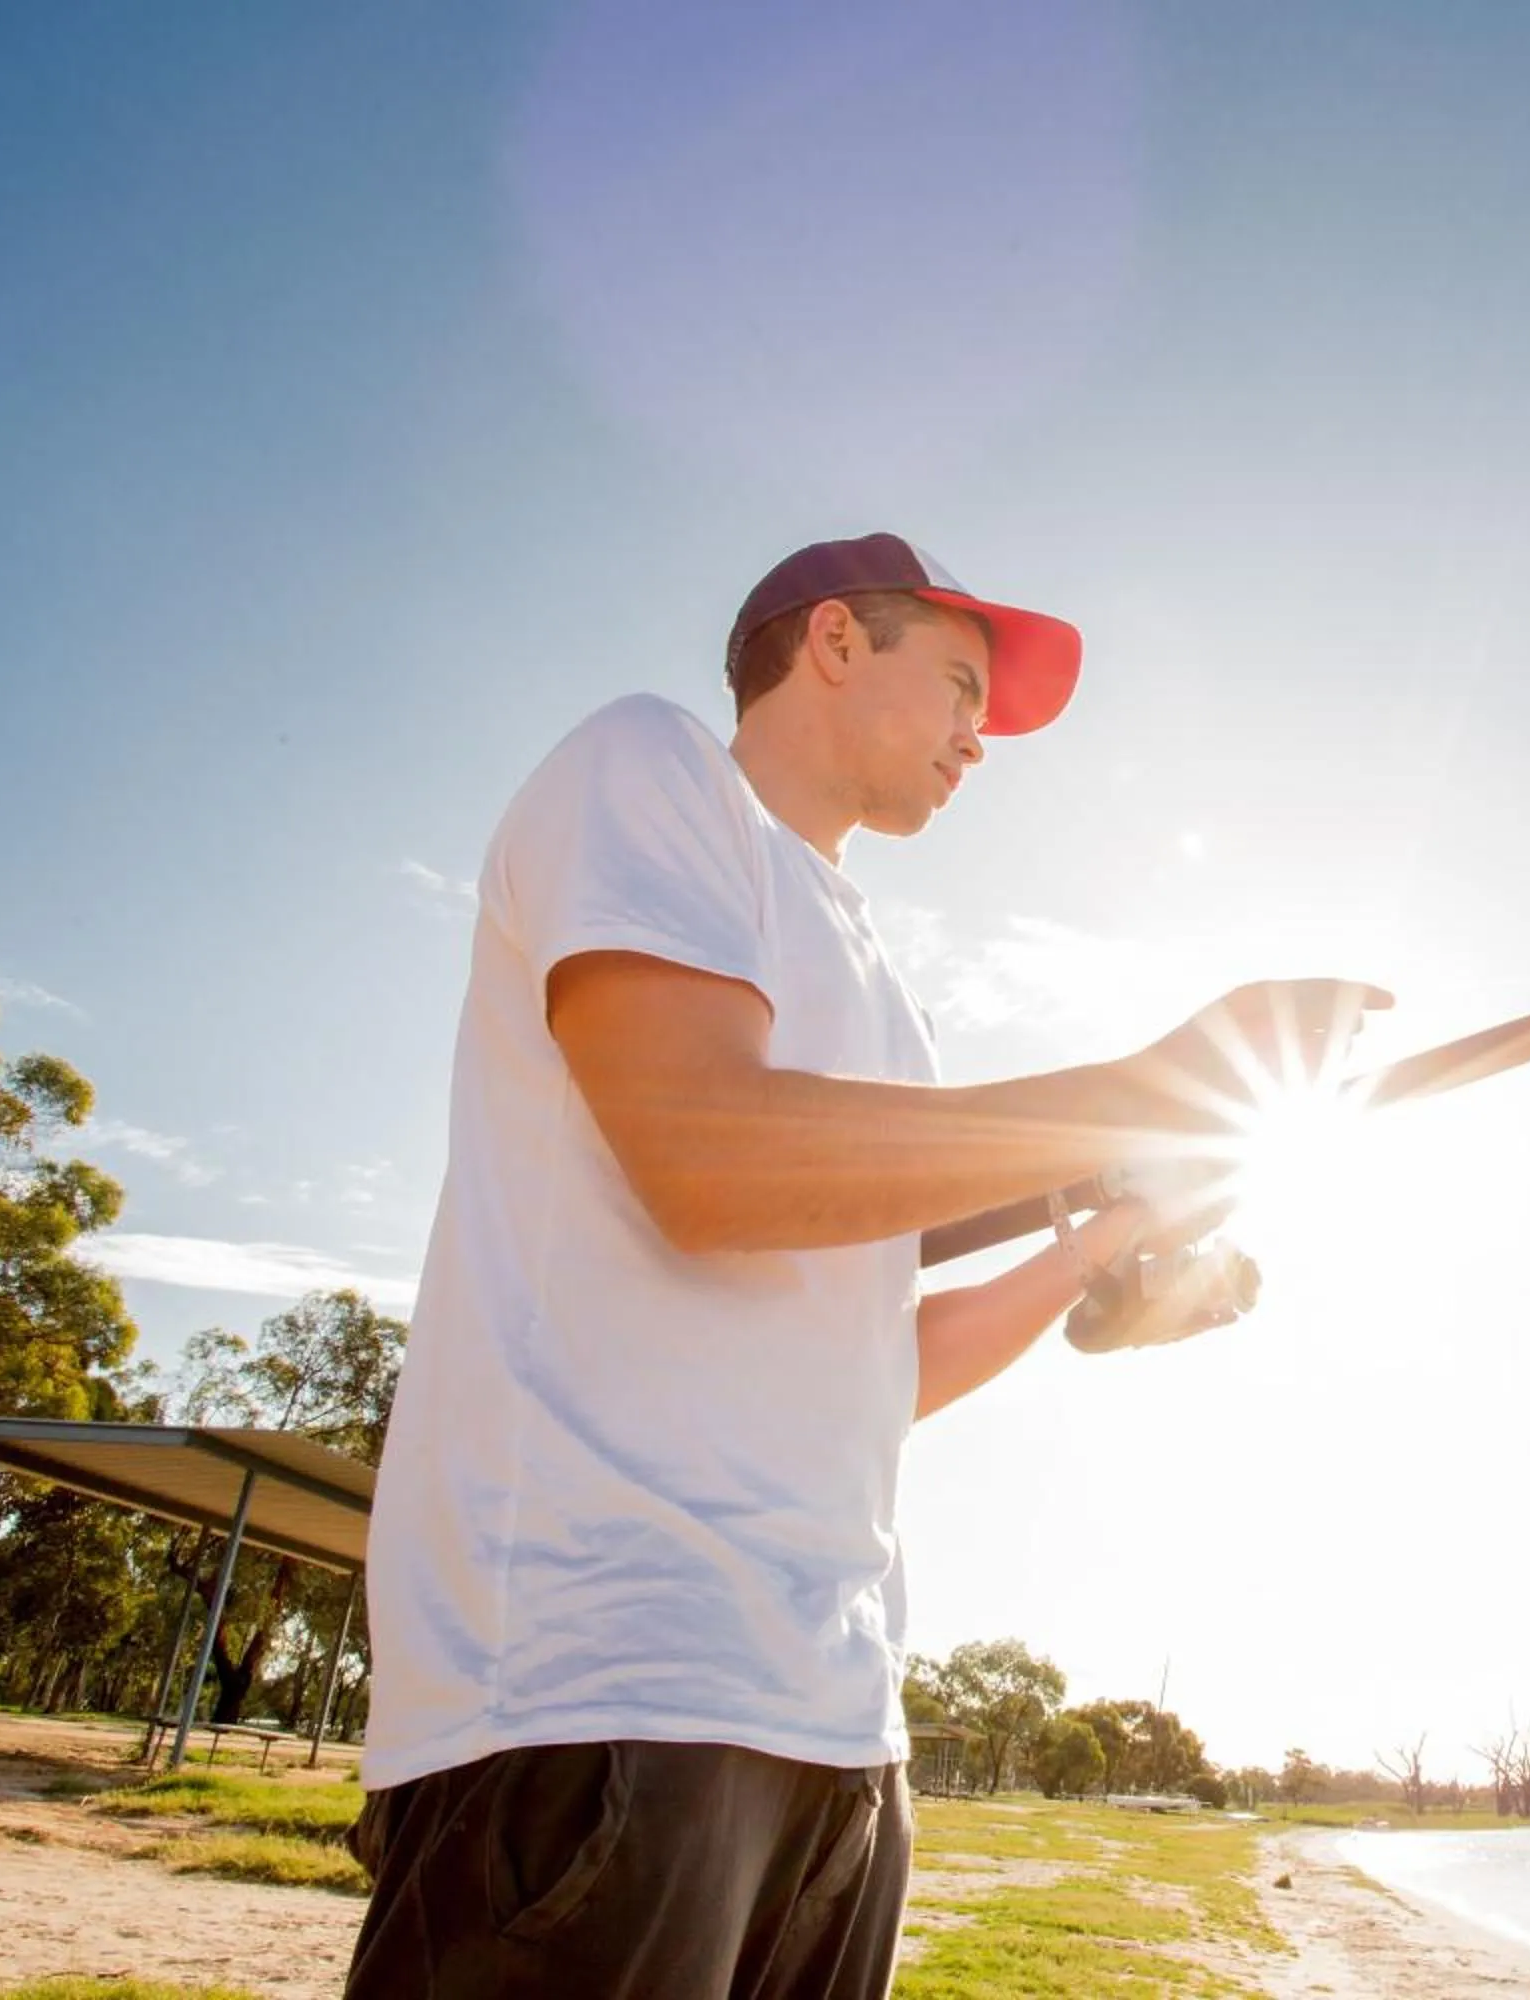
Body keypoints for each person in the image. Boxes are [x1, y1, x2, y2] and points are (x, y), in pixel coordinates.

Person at [344, 532, 1383, 1998]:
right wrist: (1143, 1093)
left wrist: (1099, 1245)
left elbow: (866, 1369)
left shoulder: (881, 983)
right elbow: (713, 1164)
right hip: (600, 1690)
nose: (982, 736)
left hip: (837, 1728)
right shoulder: (646, 768)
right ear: (833, 641)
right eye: (960, 683)